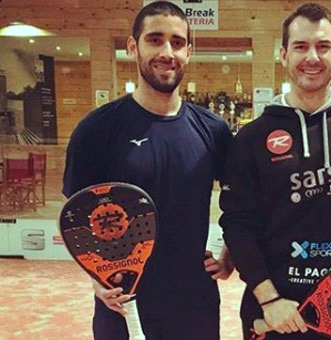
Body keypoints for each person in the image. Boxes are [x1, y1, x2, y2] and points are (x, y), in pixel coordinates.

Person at [62, 2, 233, 339]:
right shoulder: (97, 129)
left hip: (194, 303)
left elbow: (241, 199)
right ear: (132, 47)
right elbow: (75, 216)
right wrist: (97, 279)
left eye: (177, 42)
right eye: (155, 39)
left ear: (189, 52)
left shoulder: (213, 130)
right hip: (123, 302)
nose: (167, 52)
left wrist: (230, 254)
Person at [218, 3, 331, 339]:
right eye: (300, 46)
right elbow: (237, 223)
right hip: (275, 314)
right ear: (283, 55)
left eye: (323, 46)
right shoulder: (251, 137)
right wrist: (270, 300)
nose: (312, 57)